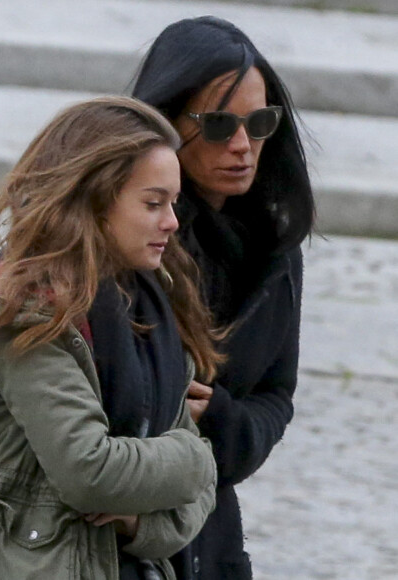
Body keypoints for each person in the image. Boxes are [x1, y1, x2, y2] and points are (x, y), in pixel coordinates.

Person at [0, 96, 222, 580]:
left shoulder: (153, 309)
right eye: (153, 203)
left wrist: (137, 522)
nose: (172, 222)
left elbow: (198, 501)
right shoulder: (26, 314)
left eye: (173, 204)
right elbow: (89, 471)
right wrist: (195, 456)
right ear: (94, 201)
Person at [132, 16, 316, 580]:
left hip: (208, 534)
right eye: (218, 125)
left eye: (259, 123)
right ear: (166, 120)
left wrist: (222, 417)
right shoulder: (120, 223)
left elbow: (276, 395)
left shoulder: (275, 250)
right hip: (104, 526)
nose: (242, 146)